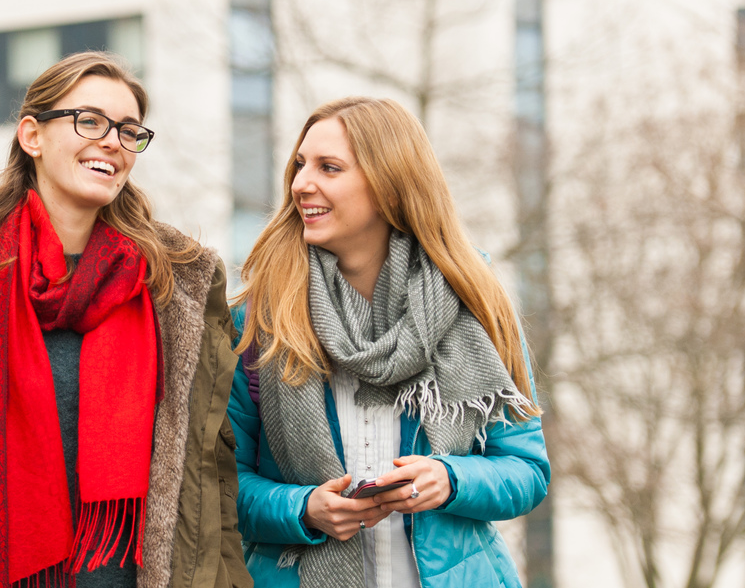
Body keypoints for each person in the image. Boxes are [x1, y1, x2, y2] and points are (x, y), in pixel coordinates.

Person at [0, 50, 251, 588]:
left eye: (129, 131)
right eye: (89, 121)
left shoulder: (177, 287)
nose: (112, 142)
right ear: (33, 136)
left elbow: (213, 488)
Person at [229, 97, 550, 588]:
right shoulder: (257, 320)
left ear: (389, 187)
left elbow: (527, 469)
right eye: (300, 166)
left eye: (329, 168)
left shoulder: (476, 303)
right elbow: (221, 484)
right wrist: (302, 509)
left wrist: (451, 479)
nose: (300, 184)